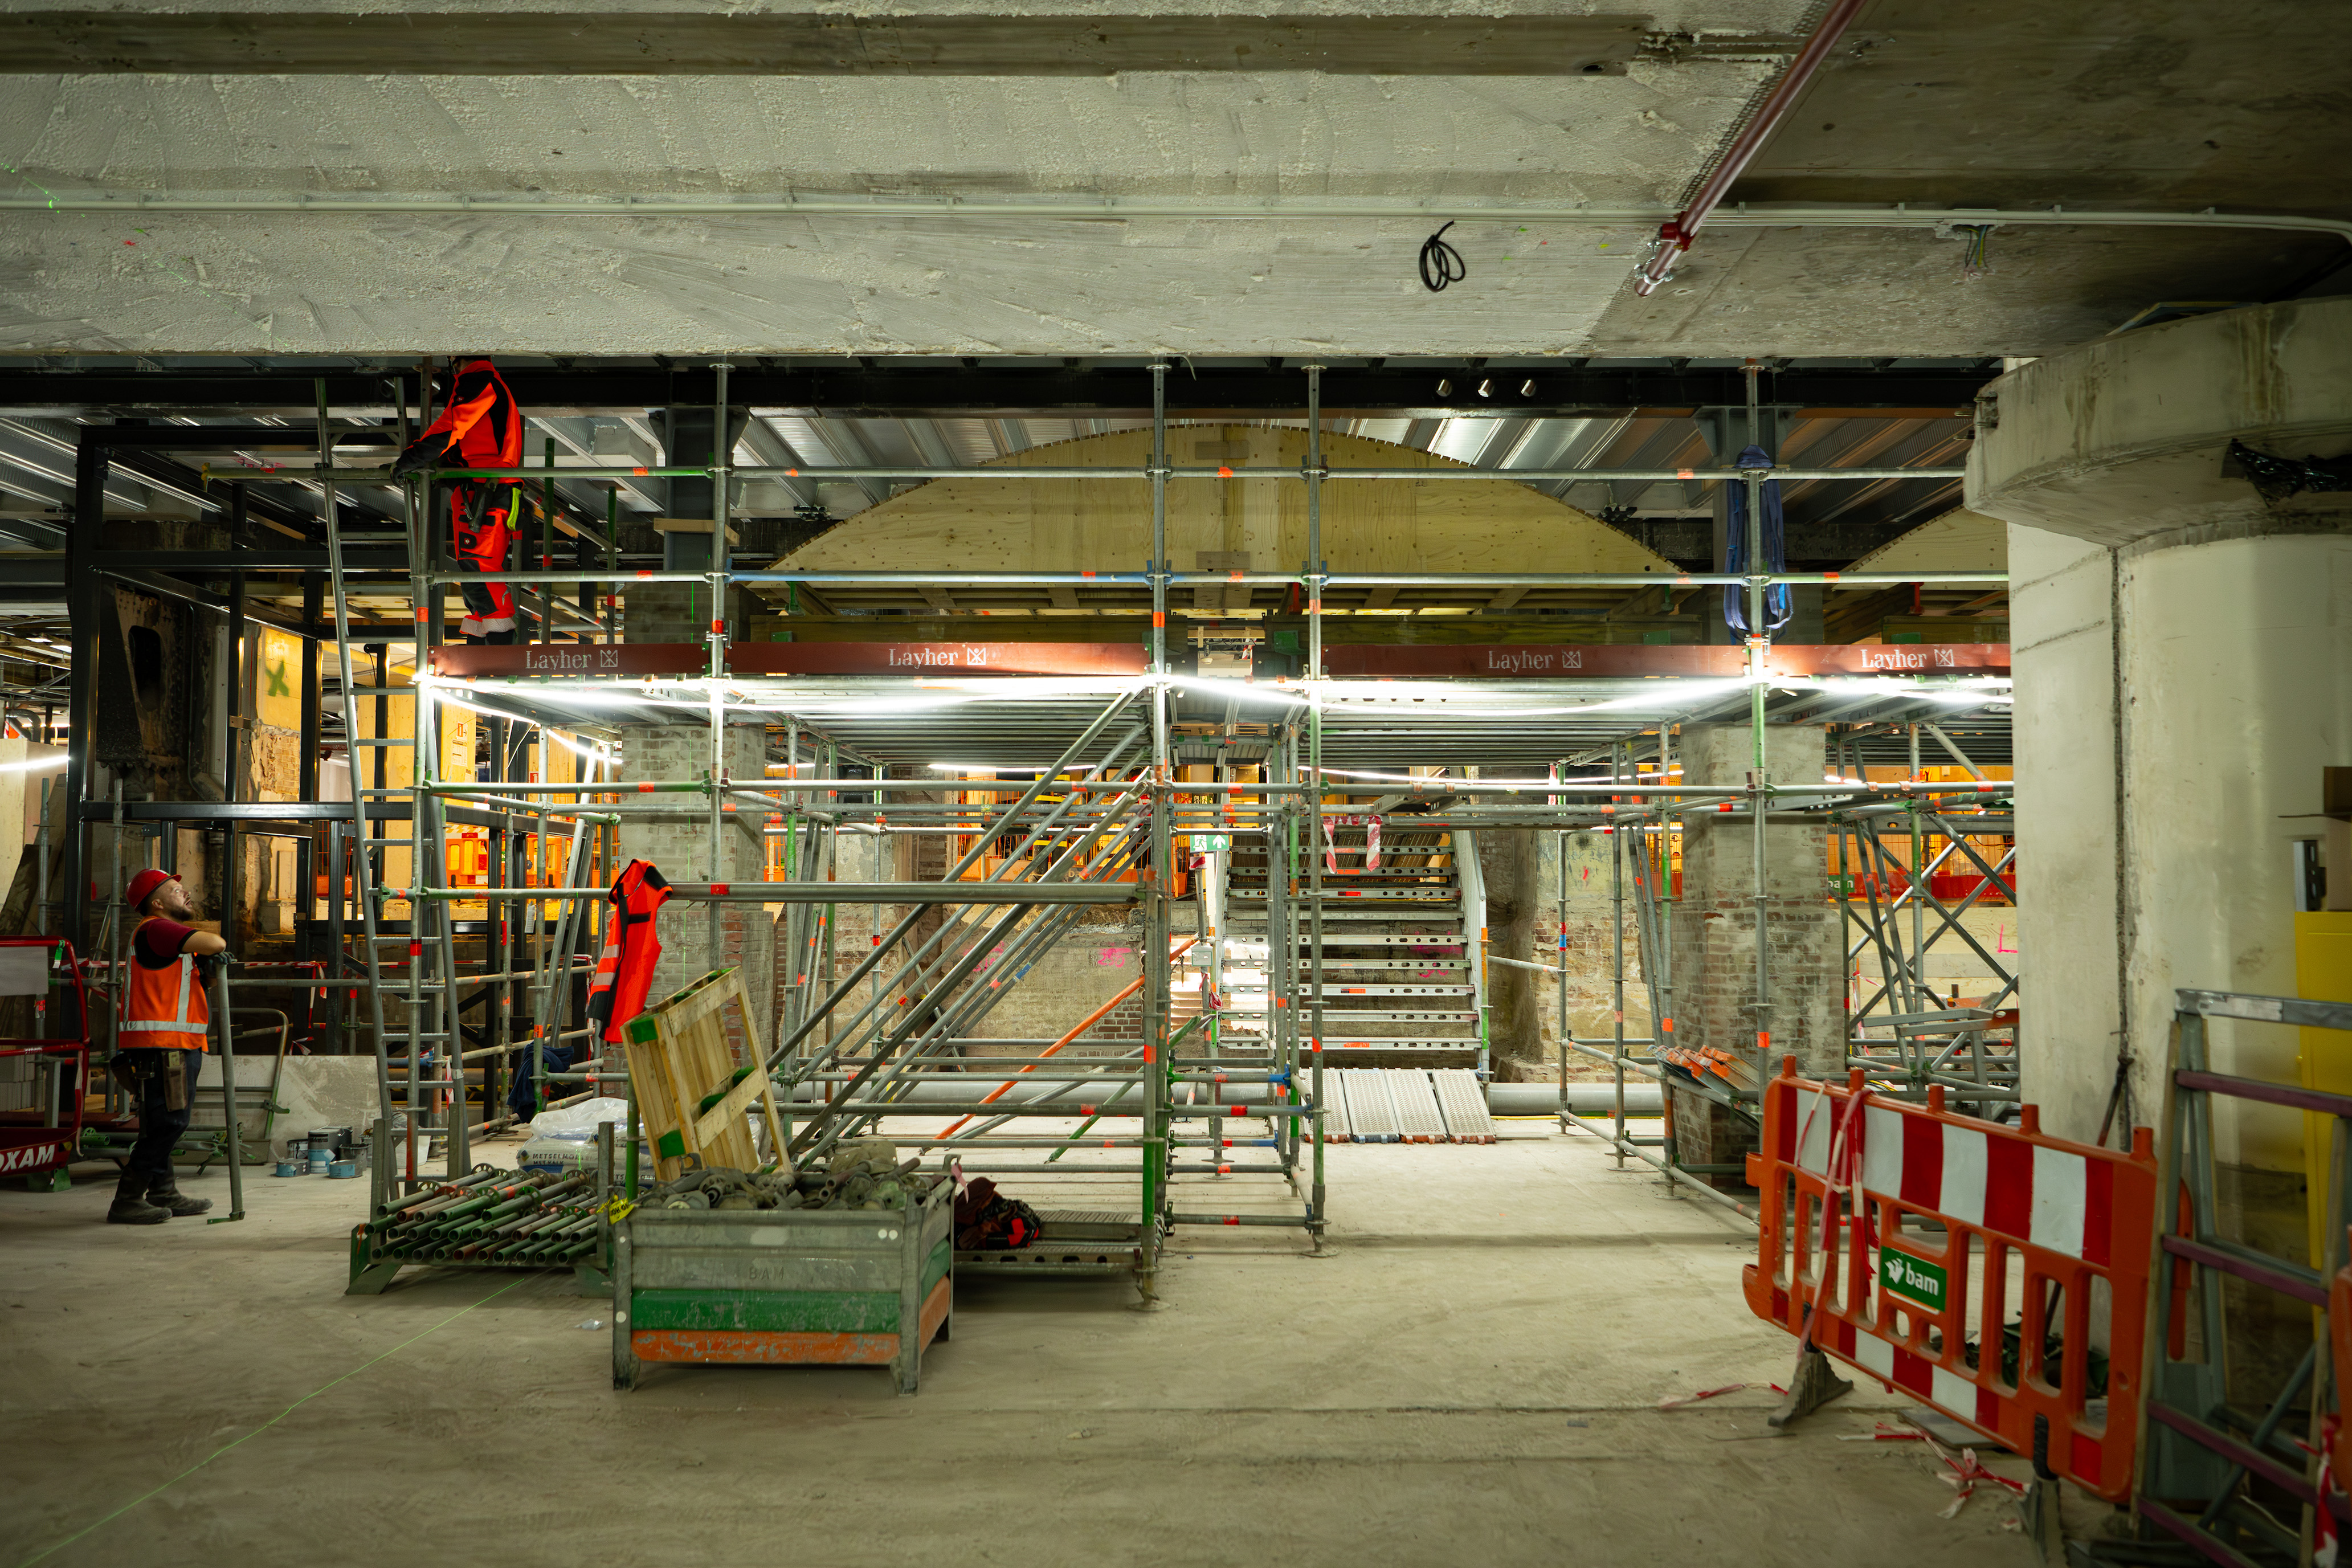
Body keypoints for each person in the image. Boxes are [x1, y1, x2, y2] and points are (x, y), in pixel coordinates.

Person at [109, 868, 227, 1224]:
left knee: (162, 1121)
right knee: (170, 1122)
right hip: (162, 1045)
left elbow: (187, 986)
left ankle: (164, 1191)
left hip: (172, 1043)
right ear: (157, 903)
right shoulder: (156, 928)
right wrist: (211, 950)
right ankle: (128, 1198)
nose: (186, 893)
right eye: (176, 890)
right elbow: (217, 942)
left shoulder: (169, 941)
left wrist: (206, 970)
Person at [390, 359, 523, 644]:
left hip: (485, 487)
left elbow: (452, 426)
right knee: (473, 564)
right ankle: (485, 643)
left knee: (478, 563)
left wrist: (412, 458)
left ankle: (499, 646)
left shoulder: (478, 380)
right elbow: (464, 438)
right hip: (483, 486)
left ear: (459, 359)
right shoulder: (485, 381)